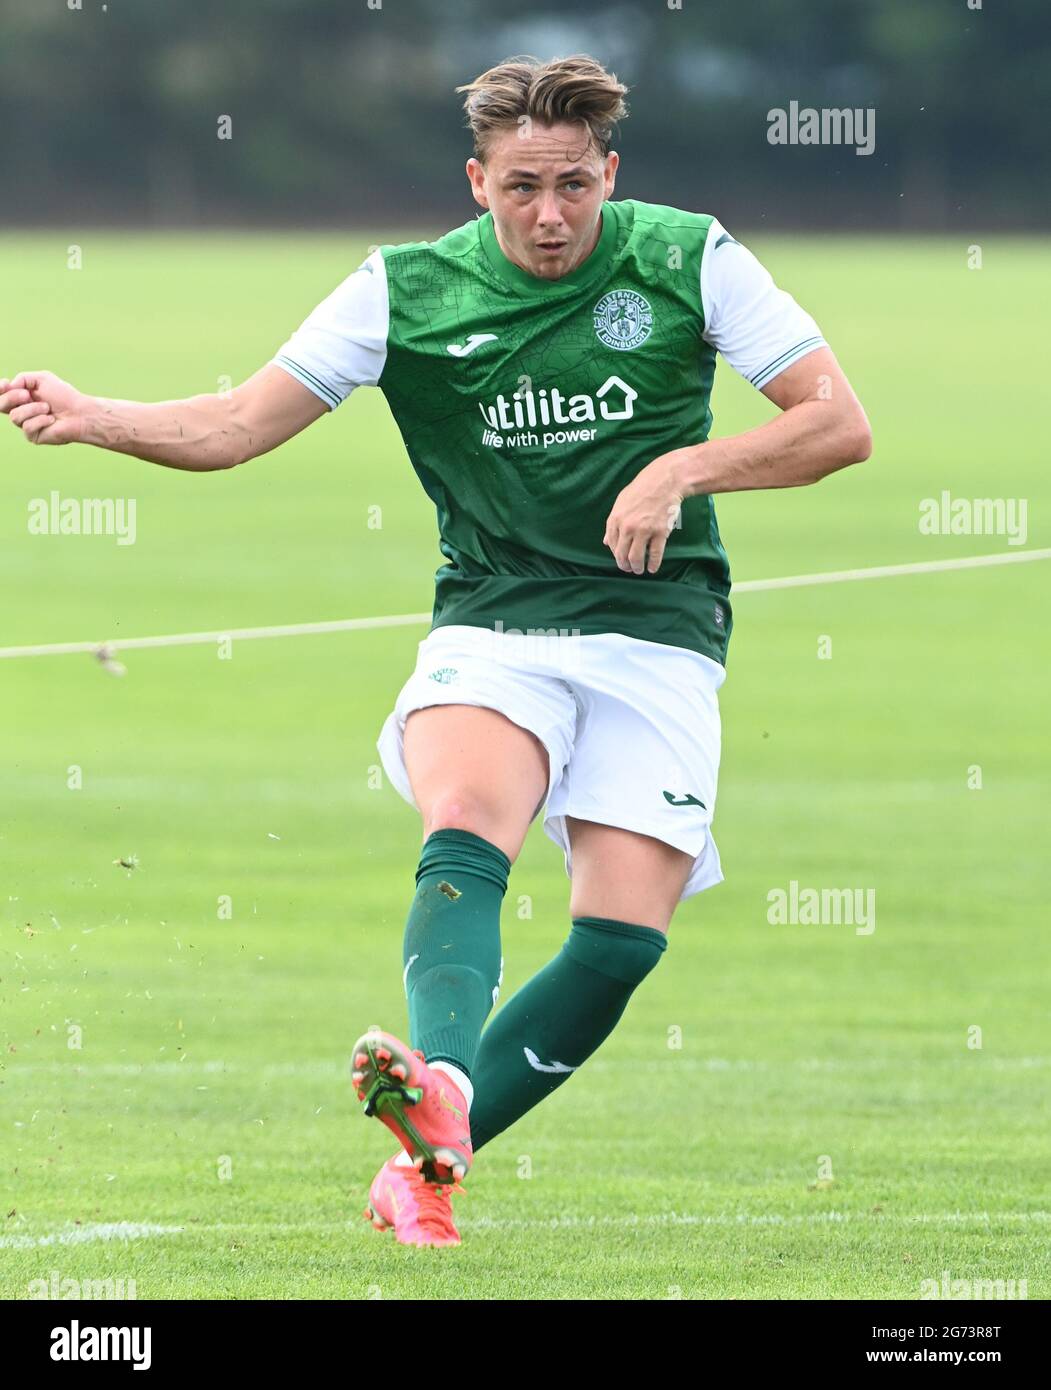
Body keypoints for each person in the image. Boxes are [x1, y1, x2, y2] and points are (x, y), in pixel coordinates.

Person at [1, 53, 871, 1250]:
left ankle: (429, 1159)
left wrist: (681, 466)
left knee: (620, 941)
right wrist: (94, 413)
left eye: (574, 184)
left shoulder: (689, 255)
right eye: (522, 187)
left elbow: (838, 424)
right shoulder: (399, 290)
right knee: (465, 817)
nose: (551, 213)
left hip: (658, 631)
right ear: (477, 182)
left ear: (608, 171)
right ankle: (443, 1083)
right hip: (493, 624)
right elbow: (236, 425)